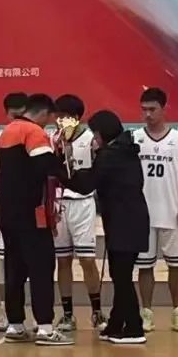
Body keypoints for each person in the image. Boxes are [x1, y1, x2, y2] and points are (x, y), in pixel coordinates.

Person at [61, 110, 150, 344]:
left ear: (103, 133)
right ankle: (115, 324)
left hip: (124, 222)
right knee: (120, 274)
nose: (94, 138)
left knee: (121, 276)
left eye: (95, 133)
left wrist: (63, 173)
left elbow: (87, 184)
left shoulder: (110, 155)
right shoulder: (125, 149)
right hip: (131, 220)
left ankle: (134, 328)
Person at [0, 93, 71, 346]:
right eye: (51, 118)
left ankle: (15, 324)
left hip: (7, 212)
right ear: (45, 113)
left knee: (14, 268)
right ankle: (46, 327)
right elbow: (47, 168)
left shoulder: (7, 131)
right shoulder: (34, 132)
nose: (50, 123)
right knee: (41, 267)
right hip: (32, 212)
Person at [133, 87, 178, 333]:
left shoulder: (177, 139)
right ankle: (146, 313)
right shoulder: (135, 138)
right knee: (145, 265)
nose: (147, 114)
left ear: (163, 109)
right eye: (144, 110)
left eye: (152, 109)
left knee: (175, 264)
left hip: (171, 211)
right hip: (142, 213)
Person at [51, 95, 107, 333]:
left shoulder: (90, 140)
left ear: (76, 117)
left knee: (86, 259)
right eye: (57, 116)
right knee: (62, 260)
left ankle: (97, 311)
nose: (60, 121)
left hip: (83, 203)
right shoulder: (54, 140)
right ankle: (67, 314)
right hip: (60, 204)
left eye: (64, 116)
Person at [0, 92, 28, 332]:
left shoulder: (35, 136)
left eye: (22, 114)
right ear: (6, 114)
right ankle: (6, 313)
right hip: (7, 207)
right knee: (4, 263)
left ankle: (37, 316)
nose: (17, 119)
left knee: (32, 264)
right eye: (14, 115)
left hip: (29, 207)